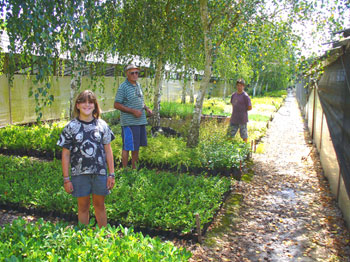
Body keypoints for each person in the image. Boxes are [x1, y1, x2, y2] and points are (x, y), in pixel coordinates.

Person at [57, 90, 115, 228]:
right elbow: (65, 154)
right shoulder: (70, 127)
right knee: (83, 207)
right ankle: (84, 239)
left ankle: (103, 237)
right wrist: (66, 179)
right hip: (79, 175)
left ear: (95, 105)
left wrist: (111, 174)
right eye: (83, 101)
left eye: (90, 102)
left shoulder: (102, 125)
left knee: (99, 205)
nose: (87, 105)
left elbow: (108, 150)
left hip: (99, 173)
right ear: (77, 105)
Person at [114, 64, 152, 169]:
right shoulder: (123, 87)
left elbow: (140, 101)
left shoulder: (138, 85)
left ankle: (134, 170)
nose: (135, 75)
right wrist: (133, 111)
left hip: (140, 121)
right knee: (127, 147)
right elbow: (116, 104)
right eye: (132, 73)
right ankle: (126, 170)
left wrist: (146, 108)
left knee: (136, 147)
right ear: (127, 74)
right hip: (129, 123)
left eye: (137, 73)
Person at [227, 78, 252, 142]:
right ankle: (228, 147)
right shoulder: (233, 95)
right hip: (234, 118)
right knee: (229, 134)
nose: (239, 87)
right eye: (238, 85)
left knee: (244, 135)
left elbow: (250, 107)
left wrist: (242, 111)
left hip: (242, 119)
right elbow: (232, 104)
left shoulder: (245, 96)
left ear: (243, 86)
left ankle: (245, 148)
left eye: (241, 85)